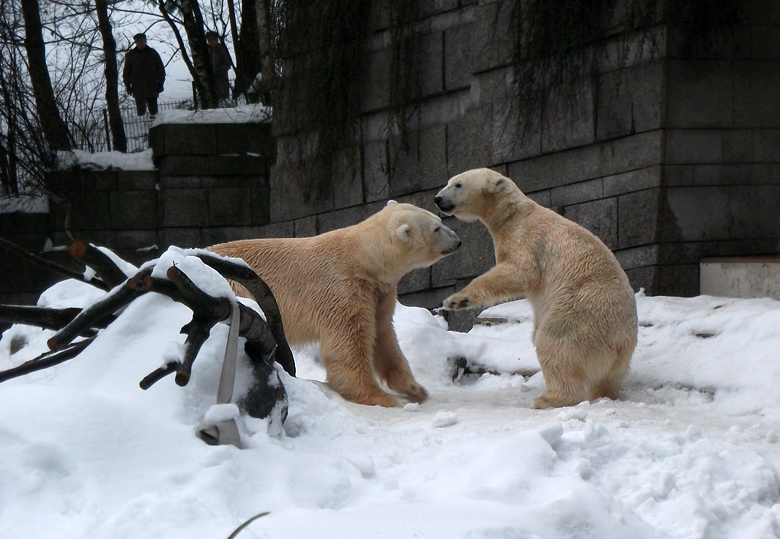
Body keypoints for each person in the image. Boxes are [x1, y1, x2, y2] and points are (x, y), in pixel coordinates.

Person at [123, 33, 165, 119]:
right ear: (136, 42)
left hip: (152, 86)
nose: (141, 43)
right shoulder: (131, 55)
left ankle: (155, 124)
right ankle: (142, 126)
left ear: (145, 41)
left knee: (153, 110)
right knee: (140, 111)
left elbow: (160, 70)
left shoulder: (153, 53)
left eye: (142, 40)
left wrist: (160, 83)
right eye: (138, 41)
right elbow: (126, 72)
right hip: (138, 87)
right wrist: (128, 85)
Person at [206, 31, 233, 105]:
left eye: (213, 39)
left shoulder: (221, 49)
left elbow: (227, 62)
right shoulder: (206, 50)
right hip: (210, 76)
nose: (211, 42)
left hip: (221, 76)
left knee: (222, 93)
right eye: (209, 40)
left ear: (216, 40)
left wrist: (221, 70)